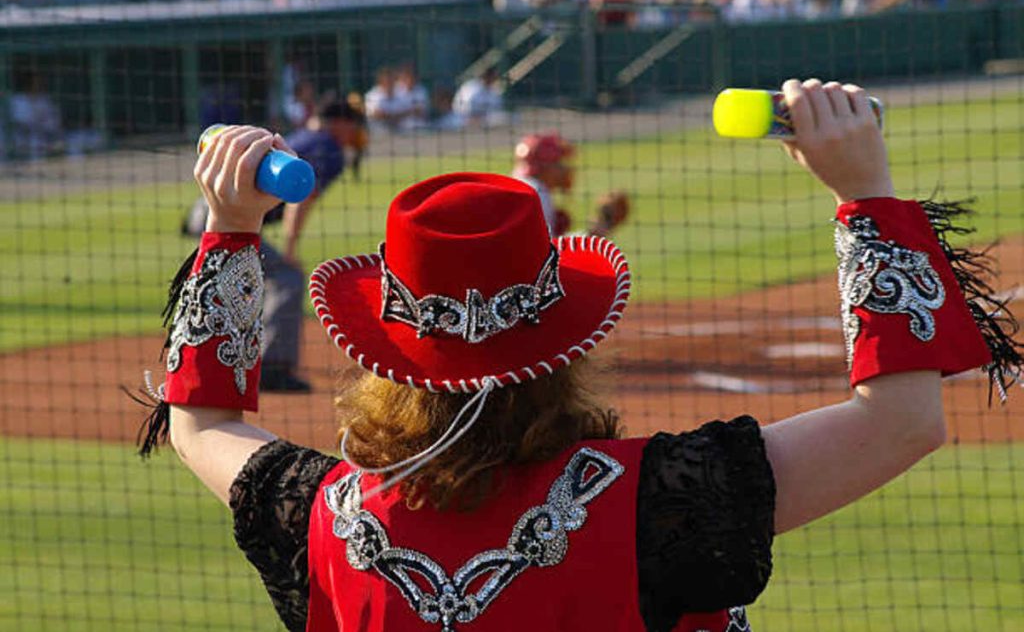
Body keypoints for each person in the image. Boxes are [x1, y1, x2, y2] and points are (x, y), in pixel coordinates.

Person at [141, 79, 1020, 632]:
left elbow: (199, 420)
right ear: (566, 346)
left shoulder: (323, 518)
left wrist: (229, 226)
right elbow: (906, 419)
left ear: (389, 354)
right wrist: (865, 193)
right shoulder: (664, 502)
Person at [182, 98, 364, 393]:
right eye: (353, 124)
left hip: (212, 204)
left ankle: (232, 357)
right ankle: (272, 369)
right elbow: (304, 197)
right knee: (287, 277)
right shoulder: (328, 147)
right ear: (339, 123)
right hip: (223, 211)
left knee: (247, 280)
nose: (355, 132)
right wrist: (290, 250)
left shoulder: (307, 136)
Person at [511, 131, 629, 237]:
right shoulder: (537, 193)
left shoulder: (519, 184)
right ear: (546, 166)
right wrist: (591, 236)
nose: (565, 168)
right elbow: (546, 254)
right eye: (559, 162)